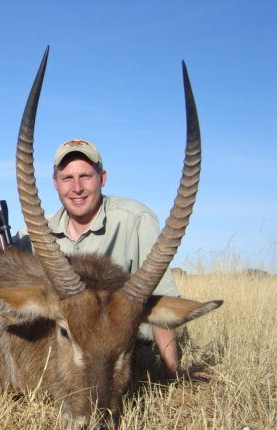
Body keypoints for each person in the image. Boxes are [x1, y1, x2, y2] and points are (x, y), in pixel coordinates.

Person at [15, 138, 210, 381]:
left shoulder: (136, 219)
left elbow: (156, 295)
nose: (77, 188)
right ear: (55, 183)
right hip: (70, 355)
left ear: (102, 178)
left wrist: (172, 372)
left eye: (85, 176)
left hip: (123, 350)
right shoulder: (31, 235)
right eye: (67, 178)